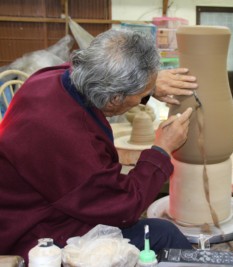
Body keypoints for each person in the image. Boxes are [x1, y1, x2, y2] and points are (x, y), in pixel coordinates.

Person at [0, 28, 198, 261]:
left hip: (40, 200)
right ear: (114, 98)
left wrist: (150, 85)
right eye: (143, 94)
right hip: (33, 231)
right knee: (163, 234)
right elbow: (122, 208)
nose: (145, 98)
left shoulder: (49, 77)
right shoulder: (68, 137)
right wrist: (161, 150)